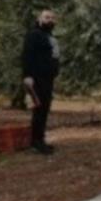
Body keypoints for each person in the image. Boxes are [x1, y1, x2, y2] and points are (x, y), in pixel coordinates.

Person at [21, 9, 60, 155]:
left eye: (52, 18)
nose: (50, 20)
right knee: (38, 109)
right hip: (37, 78)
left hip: (48, 78)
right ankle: (36, 142)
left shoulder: (49, 36)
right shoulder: (34, 35)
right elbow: (27, 55)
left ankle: (40, 139)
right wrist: (27, 75)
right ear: (39, 19)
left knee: (44, 109)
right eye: (46, 17)